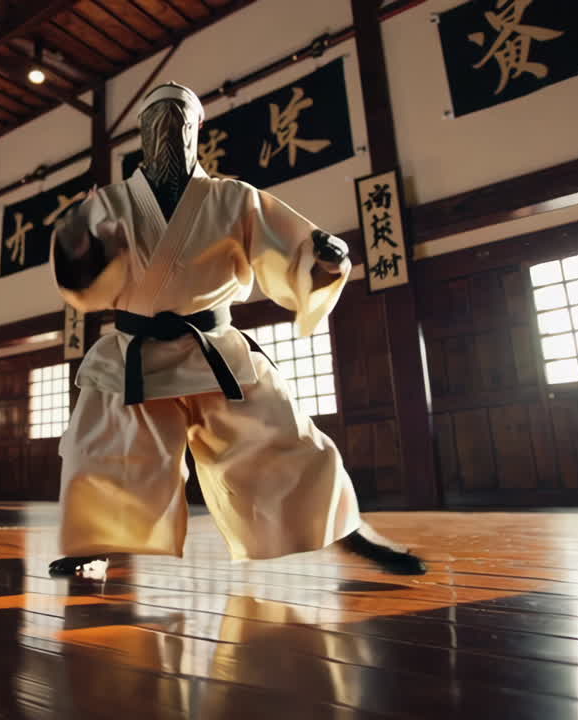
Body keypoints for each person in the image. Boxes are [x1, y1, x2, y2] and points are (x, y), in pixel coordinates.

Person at [48, 82, 425, 577]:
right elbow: (83, 282)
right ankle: (93, 543)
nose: (168, 131)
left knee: (288, 441)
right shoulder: (112, 202)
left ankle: (349, 528)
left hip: (215, 352)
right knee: (101, 450)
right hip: (132, 354)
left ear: (198, 127)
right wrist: (78, 248)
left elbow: (292, 249)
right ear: (141, 131)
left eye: (179, 119)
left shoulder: (233, 198)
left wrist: (325, 260)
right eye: (158, 120)